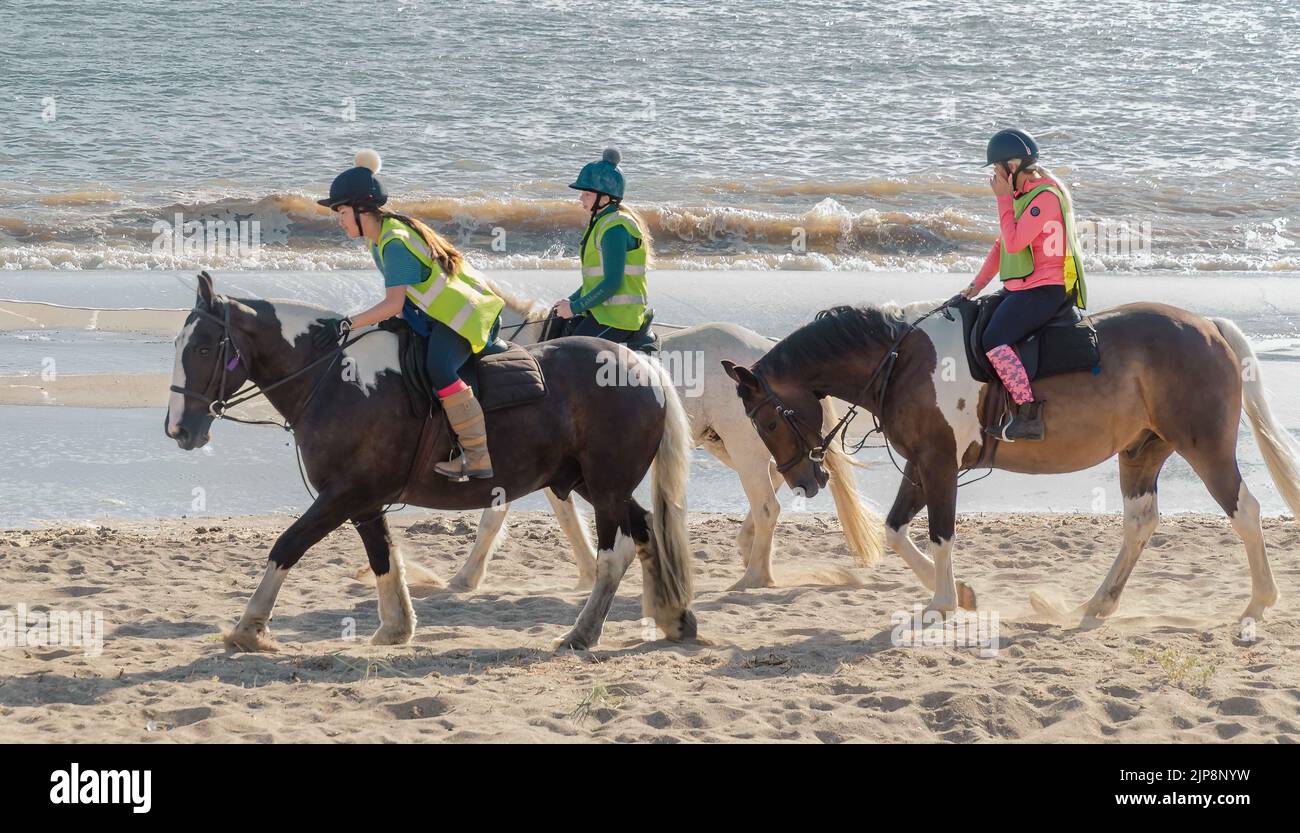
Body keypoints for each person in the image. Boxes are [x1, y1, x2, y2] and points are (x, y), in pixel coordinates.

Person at [314, 149, 505, 480]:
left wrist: (348, 322)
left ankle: (477, 456)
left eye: (342, 212)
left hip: (465, 318)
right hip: (442, 316)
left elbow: (394, 304)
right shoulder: (381, 237)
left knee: (439, 367)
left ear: (362, 211)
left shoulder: (394, 242)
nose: (339, 220)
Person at [960, 128, 1087, 442]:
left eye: (996, 169)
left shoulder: (1042, 198)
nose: (994, 177)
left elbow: (1014, 243)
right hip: (1024, 286)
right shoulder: (1024, 195)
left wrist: (1003, 199)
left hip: (1046, 289)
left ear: (1012, 167)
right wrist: (975, 286)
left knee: (993, 340)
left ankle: (1028, 413)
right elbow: (1001, 245)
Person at [552, 148, 654, 346]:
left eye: (587, 194)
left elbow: (612, 283)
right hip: (604, 312)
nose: (581, 198)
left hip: (619, 318)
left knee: (570, 352)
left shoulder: (614, 229)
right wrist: (569, 301)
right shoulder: (601, 223)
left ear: (605, 198)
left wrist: (574, 308)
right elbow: (595, 280)